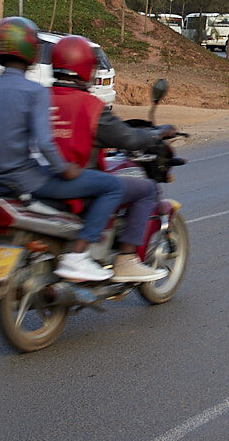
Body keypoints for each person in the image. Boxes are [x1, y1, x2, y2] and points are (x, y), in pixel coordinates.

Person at [0, 17, 122, 282]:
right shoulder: (34, 92)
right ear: (31, 52)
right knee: (112, 186)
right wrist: (65, 170)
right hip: (32, 184)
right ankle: (78, 257)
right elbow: (44, 144)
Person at [49, 35, 175, 283]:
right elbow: (128, 138)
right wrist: (157, 133)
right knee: (145, 189)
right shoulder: (89, 106)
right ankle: (126, 260)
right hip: (74, 185)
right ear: (87, 68)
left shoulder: (38, 98)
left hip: (41, 181)